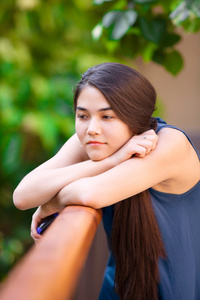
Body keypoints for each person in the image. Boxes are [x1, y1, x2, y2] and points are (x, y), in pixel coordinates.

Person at [13, 62, 200, 300]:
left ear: (134, 115)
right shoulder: (94, 141)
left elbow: (91, 193)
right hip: (120, 288)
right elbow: (22, 195)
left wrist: (50, 204)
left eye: (107, 116)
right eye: (82, 115)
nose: (92, 128)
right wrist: (112, 161)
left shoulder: (170, 144)